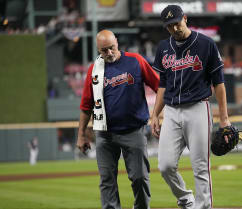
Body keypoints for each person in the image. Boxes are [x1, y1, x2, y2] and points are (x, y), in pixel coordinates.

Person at [150, 5, 232, 209]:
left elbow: (219, 84)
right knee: (165, 166)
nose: (175, 28)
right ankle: (186, 198)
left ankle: (203, 206)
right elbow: (162, 84)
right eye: (169, 26)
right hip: (171, 111)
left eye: (177, 23)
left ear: (185, 18)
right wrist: (154, 115)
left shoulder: (206, 44)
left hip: (198, 108)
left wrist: (224, 118)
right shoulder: (163, 47)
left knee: (200, 167)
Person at [77, 29, 159, 209]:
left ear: (117, 43)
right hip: (104, 134)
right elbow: (86, 105)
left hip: (133, 131)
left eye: (111, 48)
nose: (109, 53)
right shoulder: (94, 69)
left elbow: (159, 86)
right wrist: (81, 135)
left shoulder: (135, 60)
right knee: (107, 180)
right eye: (103, 50)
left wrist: (157, 114)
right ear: (98, 50)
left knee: (139, 177)